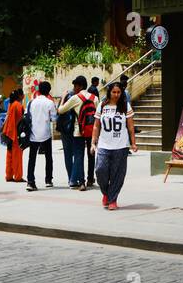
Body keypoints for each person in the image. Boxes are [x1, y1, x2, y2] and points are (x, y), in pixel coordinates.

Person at [90, 79, 137, 210]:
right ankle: (106, 192)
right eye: (114, 92)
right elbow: (96, 126)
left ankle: (112, 199)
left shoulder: (125, 106)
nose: (116, 94)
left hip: (121, 145)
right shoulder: (102, 106)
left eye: (118, 92)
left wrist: (133, 143)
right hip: (104, 145)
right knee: (100, 170)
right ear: (109, 92)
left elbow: (131, 127)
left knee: (118, 174)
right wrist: (93, 143)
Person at [58, 76, 97, 189]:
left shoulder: (75, 98)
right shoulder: (94, 98)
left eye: (75, 85)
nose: (74, 88)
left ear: (79, 86)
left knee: (79, 156)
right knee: (91, 155)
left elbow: (60, 110)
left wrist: (63, 97)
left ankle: (82, 182)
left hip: (78, 131)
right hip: (91, 131)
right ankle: (90, 179)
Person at [27, 81, 57, 191]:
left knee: (32, 158)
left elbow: (28, 116)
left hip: (33, 134)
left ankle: (30, 182)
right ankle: (48, 180)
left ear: (38, 90)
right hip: (46, 133)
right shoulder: (50, 103)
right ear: (49, 91)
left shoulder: (32, 102)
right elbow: (54, 119)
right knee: (48, 157)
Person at [2, 89, 26, 183]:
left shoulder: (11, 104)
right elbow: (21, 121)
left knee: (10, 155)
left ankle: (9, 175)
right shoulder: (18, 105)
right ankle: (18, 176)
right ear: (20, 96)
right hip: (16, 133)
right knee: (17, 156)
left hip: (8, 132)